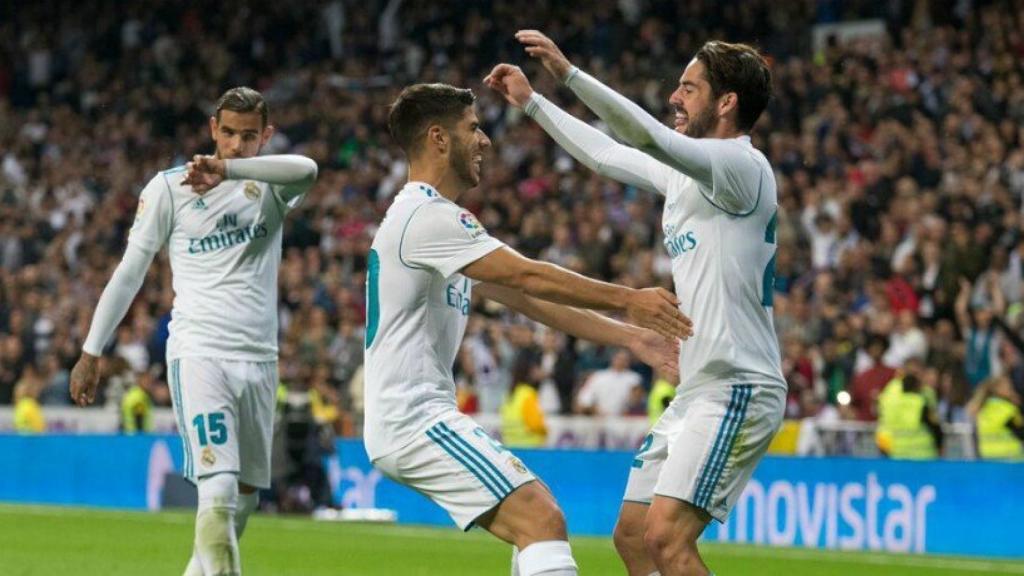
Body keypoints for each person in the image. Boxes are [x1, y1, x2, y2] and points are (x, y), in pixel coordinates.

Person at [486, 32, 786, 576]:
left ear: (727, 103)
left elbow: (643, 137)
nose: (676, 97)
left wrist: (569, 73)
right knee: (632, 537)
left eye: (689, 89)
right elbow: (605, 154)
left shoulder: (741, 168)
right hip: (700, 387)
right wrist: (533, 102)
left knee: (667, 539)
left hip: (740, 382)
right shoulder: (689, 172)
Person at [365, 83, 691, 576]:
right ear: (438, 138)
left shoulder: (432, 220)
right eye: (472, 128)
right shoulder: (425, 217)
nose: (485, 140)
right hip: (410, 420)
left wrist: (629, 337)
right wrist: (630, 301)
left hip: (418, 415)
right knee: (540, 517)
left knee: (532, 529)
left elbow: (528, 298)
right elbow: (528, 274)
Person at [69, 86, 318, 576]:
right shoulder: (169, 188)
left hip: (260, 360)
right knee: (219, 487)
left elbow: (307, 170)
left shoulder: (268, 184)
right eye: (227, 134)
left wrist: (230, 170)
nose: (236, 144)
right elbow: (130, 271)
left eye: (249, 137)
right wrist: (91, 349)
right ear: (212, 129)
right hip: (200, 353)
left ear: (265, 137)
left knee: (242, 501)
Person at [968, 376, 1024, 460]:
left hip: (988, 457)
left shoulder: (982, 408)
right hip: (1010, 459)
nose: (1011, 390)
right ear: (998, 389)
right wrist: (1019, 406)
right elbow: (1021, 433)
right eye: (1008, 387)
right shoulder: (1007, 409)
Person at [501, 349, 548, 448]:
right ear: (529, 370)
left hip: (511, 447)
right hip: (530, 448)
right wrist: (545, 430)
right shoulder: (528, 394)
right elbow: (535, 424)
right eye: (536, 367)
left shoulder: (511, 394)